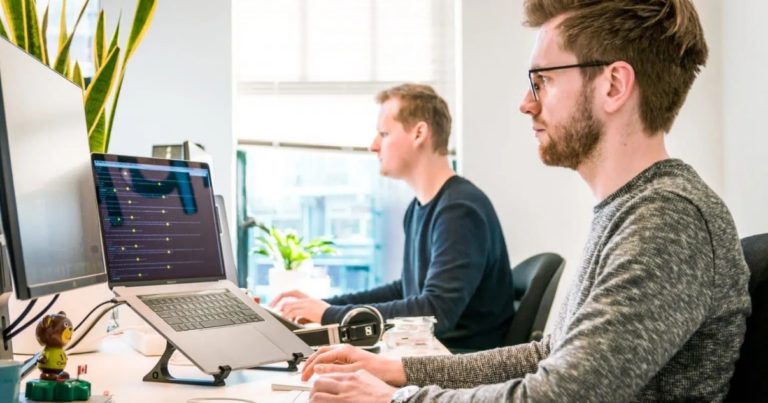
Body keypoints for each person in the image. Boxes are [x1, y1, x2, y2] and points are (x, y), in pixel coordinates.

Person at [298, 1, 752, 402]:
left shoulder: (667, 219)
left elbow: (559, 395)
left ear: (613, 85)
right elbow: (549, 355)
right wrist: (396, 370)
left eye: (543, 81)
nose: (526, 103)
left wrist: (396, 399)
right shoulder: (632, 209)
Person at [271, 84, 516, 351]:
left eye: (384, 134)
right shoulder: (420, 208)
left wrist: (329, 316)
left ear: (419, 133)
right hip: (429, 355)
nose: (373, 146)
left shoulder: (459, 211)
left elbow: (435, 313)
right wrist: (327, 306)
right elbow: (406, 290)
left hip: (458, 365)